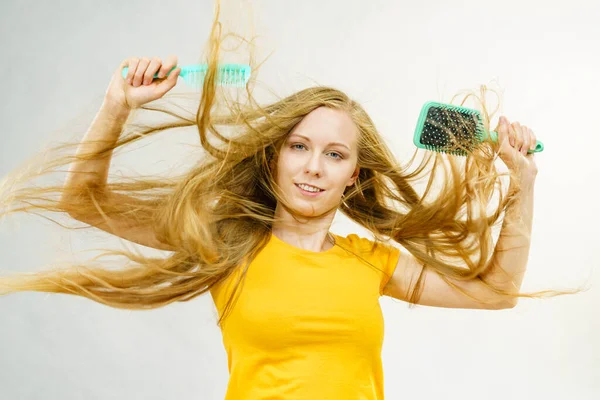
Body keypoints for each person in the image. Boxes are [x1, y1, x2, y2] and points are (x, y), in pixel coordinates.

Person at [0, 1, 579, 398]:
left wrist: (522, 185)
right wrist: (117, 105)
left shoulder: (369, 262)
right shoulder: (225, 242)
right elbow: (82, 200)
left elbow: (497, 294)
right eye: (299, 146)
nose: (312, 166)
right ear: (274, 157)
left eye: (334, 154)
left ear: (354, 176)